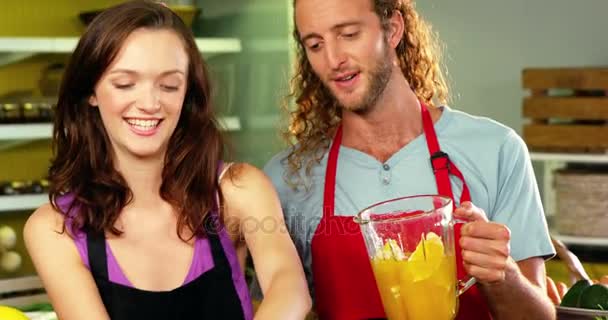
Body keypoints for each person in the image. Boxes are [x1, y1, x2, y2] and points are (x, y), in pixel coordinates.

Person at [252, 0, 557, 319]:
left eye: (349, 34)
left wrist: (502, 274)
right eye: (315, 44)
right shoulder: (287, 178)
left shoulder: (496, 150)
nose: (333, 60)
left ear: (393, 29)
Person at [23, 1, 311, 319]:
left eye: (169, 85)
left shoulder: (237, 190)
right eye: (125, 84)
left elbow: (290, 288)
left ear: (187, 92)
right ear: (91, 91)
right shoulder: (54, 229)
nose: (149, 103)